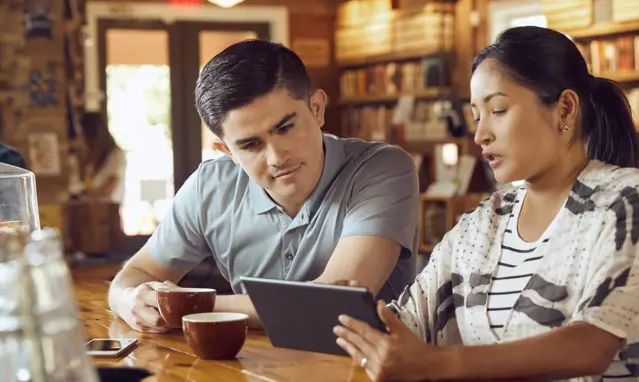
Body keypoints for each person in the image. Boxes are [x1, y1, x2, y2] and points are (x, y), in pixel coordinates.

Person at [334, 26, 639, 382]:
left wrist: (437, 363)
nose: (480, 133)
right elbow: (406, 322)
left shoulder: (631, 200)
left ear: (565, 108)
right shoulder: (483, 222)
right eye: (476, 115)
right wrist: (357, 324)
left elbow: (592, 343)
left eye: (498, 110)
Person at [108, 39, 420, 332]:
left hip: (372, 377)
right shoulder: (210, 187)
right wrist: (128, 301)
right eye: (250, 144)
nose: (277, 156)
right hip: (251, 377)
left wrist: (187, 305)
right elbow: (135, 277)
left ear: (317, 108)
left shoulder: (383, 168)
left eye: (285, 127)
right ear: (227, 151)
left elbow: (337, 303)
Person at [80, 112, 126, 203]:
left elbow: (111, 187)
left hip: (108, 208)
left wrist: (91, 194)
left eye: (84, 134)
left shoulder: (116, 155)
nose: (83, 137)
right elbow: (87, 183)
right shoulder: (91, 156)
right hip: (89, 206)